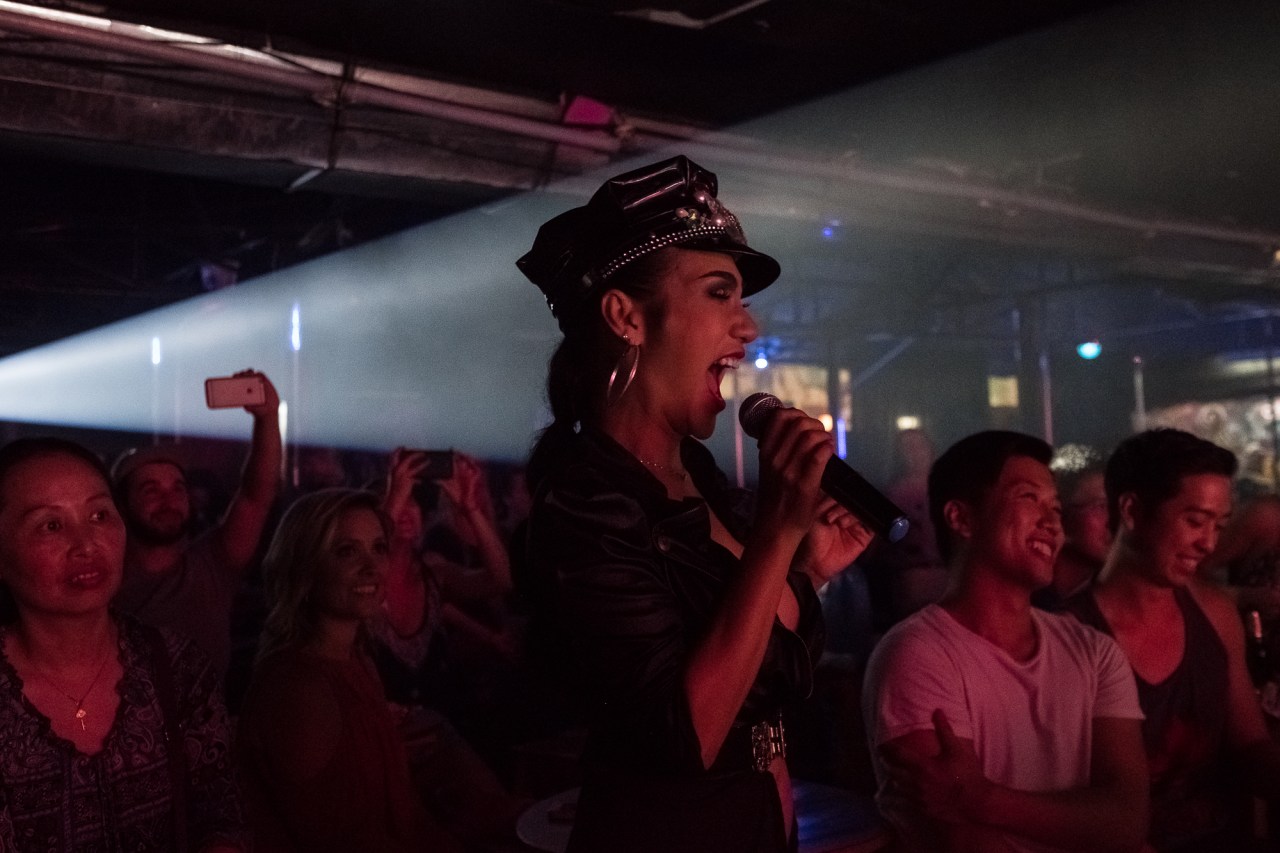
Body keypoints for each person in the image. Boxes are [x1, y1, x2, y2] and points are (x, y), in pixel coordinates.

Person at [517, 155, 871, 852]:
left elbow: (748, 639)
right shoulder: (583, 503)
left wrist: (809, 567)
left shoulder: (702, 477)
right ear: (626, 315)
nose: (746, 327)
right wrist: (776, 533)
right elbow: (684, 734)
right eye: (719, 294)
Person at [863, 430, 1148, 853]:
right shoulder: (917, 655)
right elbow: (957, 839)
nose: (1053, 523)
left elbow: (1127, 823)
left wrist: (983, 799)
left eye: (1055, 506)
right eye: (1029, 498)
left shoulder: (1094, 652)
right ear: (961, 519)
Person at [0, 437, 247, 851]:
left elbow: (222, 811)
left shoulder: (178, 667)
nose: (86, 544)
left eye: (99, 514)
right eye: (51, 525)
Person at [1067, 429, 1280, 852]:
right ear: (1131, 510)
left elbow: (1249, 743)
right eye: (1194, 521)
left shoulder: (1214, 613)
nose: (1209, 543)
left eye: (1219, 525)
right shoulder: (1070, 635)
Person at [236, 488, 458, 853]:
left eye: (379, 548)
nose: (371, 567)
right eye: (346, 551)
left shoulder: (358, 662)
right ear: (304, 565)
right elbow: (338, 839)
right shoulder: (299, 687)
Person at [112, 369, 282, 682]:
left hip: (203, 729)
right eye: (151, 490)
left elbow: (256, 495)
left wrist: (267, 417)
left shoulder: (212, 566)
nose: (169, 499)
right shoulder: (100, 579)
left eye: (178, 488)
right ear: (120, 506)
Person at [1032, 444, 1109, 612]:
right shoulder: (1028, 602)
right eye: (1101, 506)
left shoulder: (1117, 599)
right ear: (1060, 514)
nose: (1115, 519)